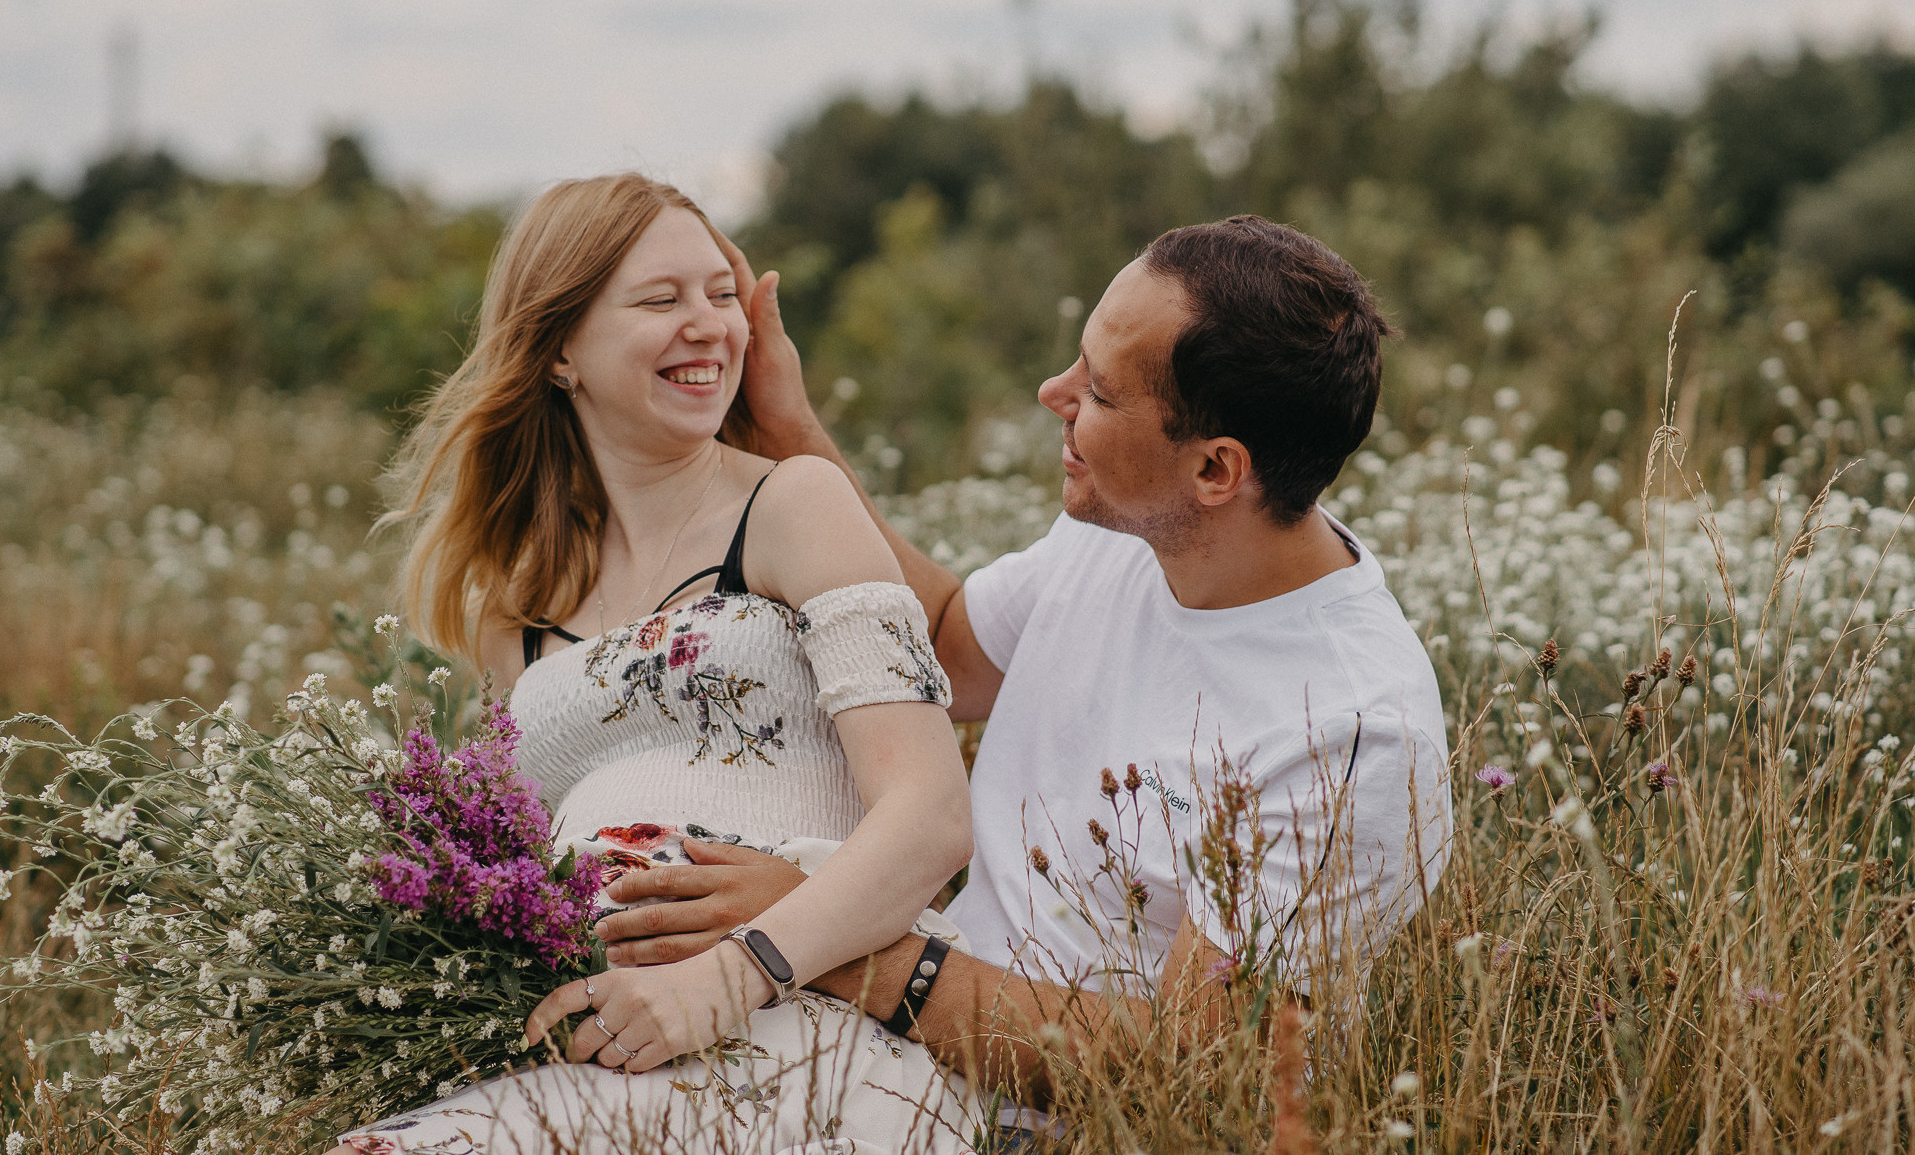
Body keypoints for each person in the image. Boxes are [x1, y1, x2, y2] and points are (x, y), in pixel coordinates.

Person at [591, 214, 1454, 1119]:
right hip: (901, 1045)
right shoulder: (1129, 529)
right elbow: (945, 645)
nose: (1056, 392)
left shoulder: (1352, 739)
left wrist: (821, 938)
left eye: (1103, 393)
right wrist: (788, 426)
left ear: (1215, 469)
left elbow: (1195, 1071)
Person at [329, 174, 981, 1154]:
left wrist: (724, 979)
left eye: (720, 296)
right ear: (557, 353)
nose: (708, 327)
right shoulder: (515, 608)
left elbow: (931, 817)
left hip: (795, 1022)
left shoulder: (793, 507)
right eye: (659, 300)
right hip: (606, 1039)